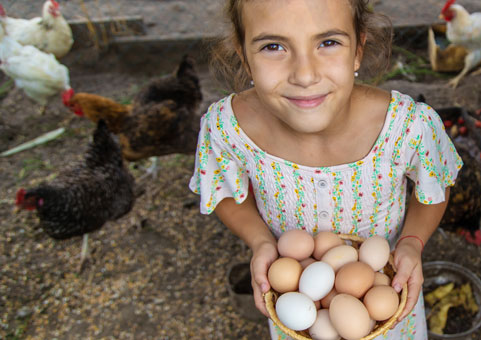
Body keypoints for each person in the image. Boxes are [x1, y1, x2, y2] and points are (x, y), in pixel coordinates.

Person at [190, 0, 463, 338]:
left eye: (328, 42)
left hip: (385, 293)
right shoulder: (227, 129)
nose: (305, 75)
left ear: (358, 49)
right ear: (243, 55)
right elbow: (224, 191)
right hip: (299, 300)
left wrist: (411, 242)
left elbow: (435, 185)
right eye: (273, 46)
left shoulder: (407, 127)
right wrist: (260, 242)